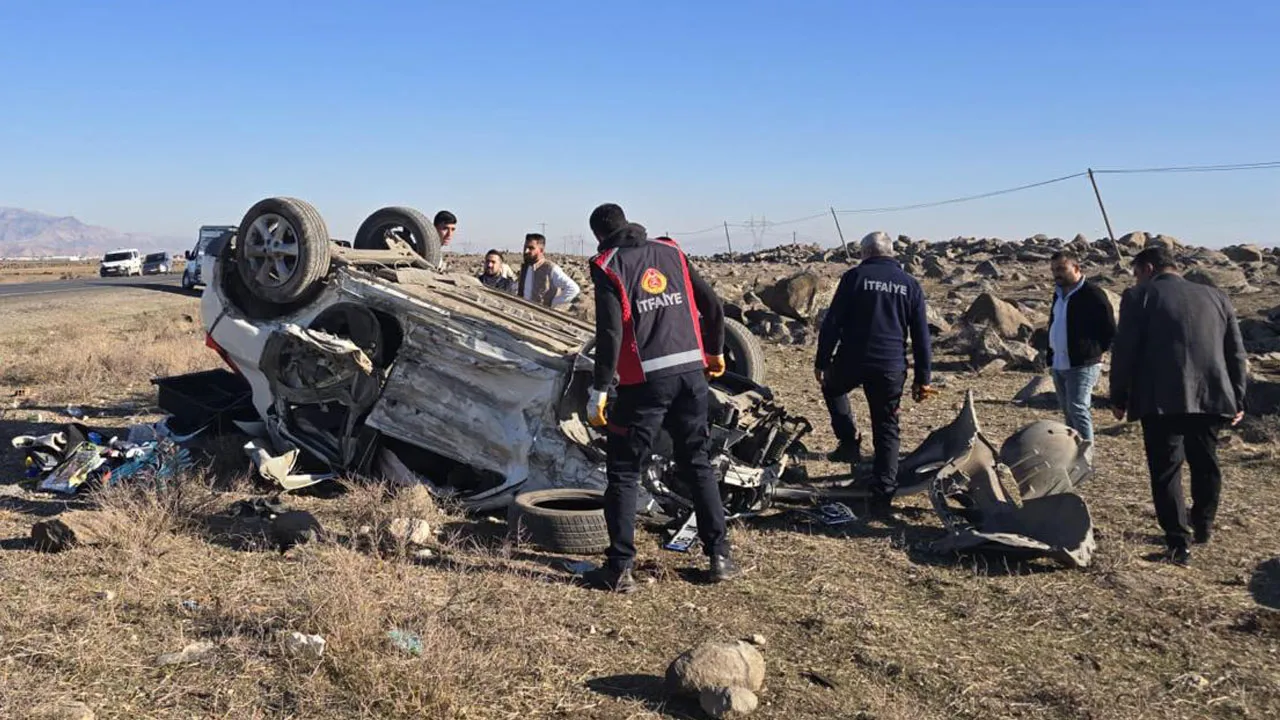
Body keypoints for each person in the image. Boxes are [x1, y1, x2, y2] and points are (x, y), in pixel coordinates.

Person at [580, 202, 737, 593]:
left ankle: (619, 569)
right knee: (697, 462)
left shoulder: (608, 265)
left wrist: (599, 390)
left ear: (600, 235)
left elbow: (610, 334)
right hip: (691, 377)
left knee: (624, 469)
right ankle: (719, 557)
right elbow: (713, 306)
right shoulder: (671, 251)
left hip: (645, 383)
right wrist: (715, 352)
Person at [1110, 245, 1247, 566]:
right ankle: (1203, 525)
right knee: (1206, 463)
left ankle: (1178, 542)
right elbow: (1235, 353)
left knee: (1166, 470)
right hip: (1211, 395)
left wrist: (1118, 396)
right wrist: (1238, 396)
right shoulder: (1217, 297)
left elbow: (1125, 350)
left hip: (1160, 399)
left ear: (1147, 268)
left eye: (1136, 273)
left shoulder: (1139, 297)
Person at [814, 231, 933, 509]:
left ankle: (848, 442)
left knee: (831, 386)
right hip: (890, 367)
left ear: (865, 253)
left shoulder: (854, 278)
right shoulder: (910, 284)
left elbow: (832, 323)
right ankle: (884, 491)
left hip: (851, 361)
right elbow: (921, 336)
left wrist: (822, 361)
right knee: (887, 426)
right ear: (891, 253)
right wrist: (923, 378)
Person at [1046, 250, 1117, 446]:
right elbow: (1054, 322)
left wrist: (1093, 352)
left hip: (1082, 363)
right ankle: (1073, 451)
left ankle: (1087, 454)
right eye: (1053, 270)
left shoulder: (1093, 294)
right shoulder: (1058, 294)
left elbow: (1109, 329)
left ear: (1076, 268)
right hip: (1060, 361)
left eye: (1061, 268)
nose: (1056, 274)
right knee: (1068, 411)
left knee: (1078, 408)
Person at [518, 233, 581, 308]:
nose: (526, 251)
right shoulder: (525, 268)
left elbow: (573, 288)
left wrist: (553, 303)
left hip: (540, 316)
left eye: (531, 248)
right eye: (525, 247)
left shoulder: (550, 268)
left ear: (541, 250)